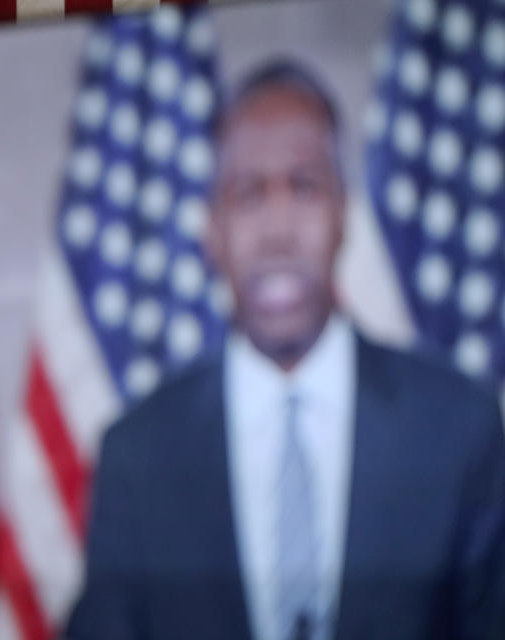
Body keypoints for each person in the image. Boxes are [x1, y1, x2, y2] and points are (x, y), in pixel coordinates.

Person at [67, 61, 505, 640]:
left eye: (304, 187)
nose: (278, 229)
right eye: (249, 195)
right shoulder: (138, 454)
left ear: (344, 214)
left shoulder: (457, 426)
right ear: (211, 232)